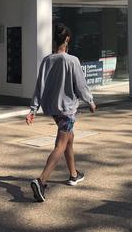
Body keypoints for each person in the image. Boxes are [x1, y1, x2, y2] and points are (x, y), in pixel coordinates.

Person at [26, 23, 97, 203]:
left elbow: (39, 86)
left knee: (69, 139)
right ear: (67, 39)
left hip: (54, 110)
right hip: (66, 110)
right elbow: (80, 85)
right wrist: (90, 101)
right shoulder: (72, 60)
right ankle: (41, 181)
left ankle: (73, 174)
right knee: (60, 144)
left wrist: (33, 109)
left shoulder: (47, 60)